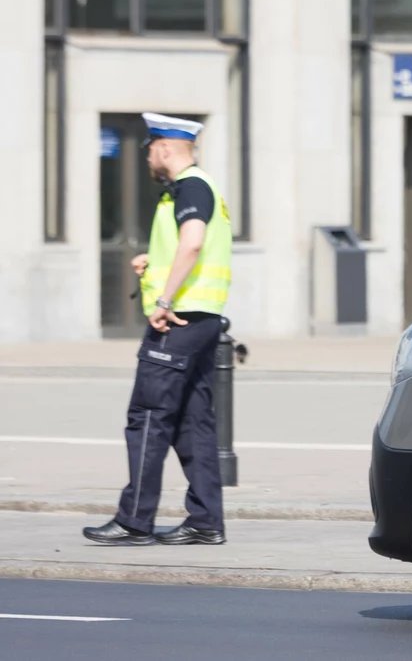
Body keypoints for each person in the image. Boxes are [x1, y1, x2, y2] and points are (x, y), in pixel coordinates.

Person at [83, 112, 232, 546]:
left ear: (165, 147)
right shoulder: (200, 187)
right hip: (202, 319)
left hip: (178, 320)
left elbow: (194, 241)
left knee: (147, 417)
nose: (148, 155)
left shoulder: (190, 186)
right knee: (193, 422)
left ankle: (134, 520)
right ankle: (205, 521)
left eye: (151, 147)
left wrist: (164, 300)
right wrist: (154, 263)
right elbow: (189, 249)